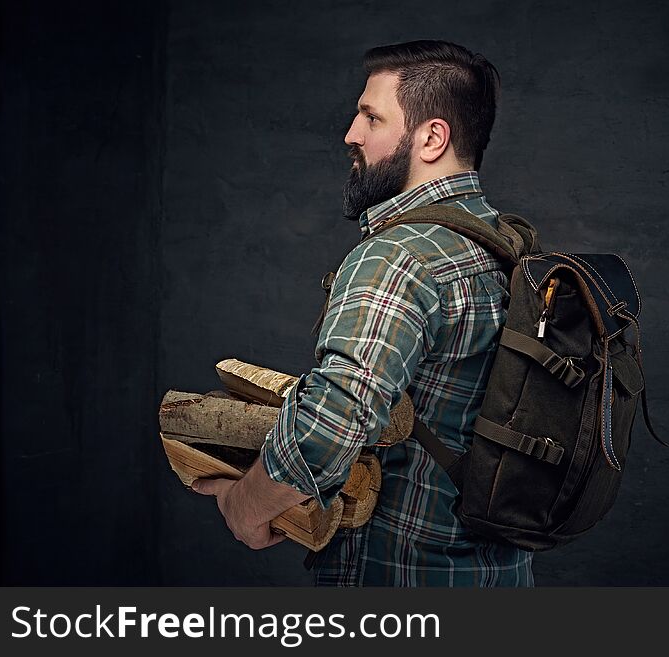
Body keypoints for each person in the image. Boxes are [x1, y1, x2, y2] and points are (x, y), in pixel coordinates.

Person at [193, 39, 534, 586]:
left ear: (431, 137)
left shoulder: (399, 257)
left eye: (371, 116)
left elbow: (331, 425)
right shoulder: (504, 245)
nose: (351, 133)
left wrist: (244, 507)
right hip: (500, 579)